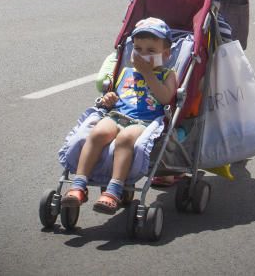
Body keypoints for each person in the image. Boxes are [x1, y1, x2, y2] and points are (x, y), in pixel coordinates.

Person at [61, 17, 177, 214]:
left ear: (165, 55)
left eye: (151, 51)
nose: (142, 55)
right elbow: (118, 95)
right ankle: (79, 185)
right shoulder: (126, 72)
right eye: (138, 49)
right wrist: (110, 98)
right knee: (97, 133)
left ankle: (114, 189)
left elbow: (166, 98)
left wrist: (149, 74)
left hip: (145, 121)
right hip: (118, 115)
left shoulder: (167, 75)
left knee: (125, 139)